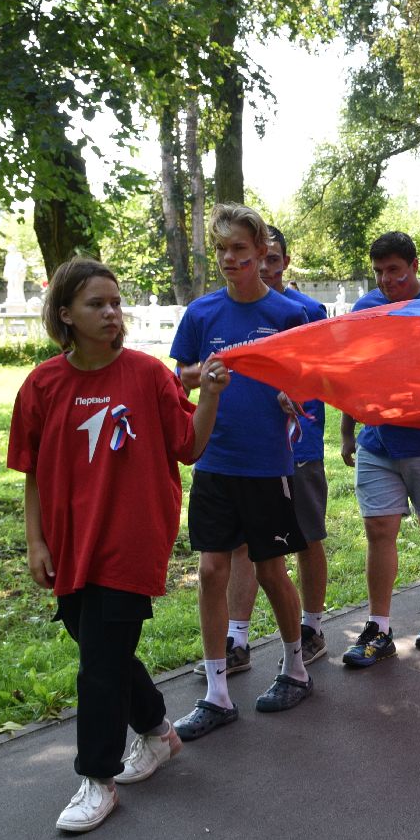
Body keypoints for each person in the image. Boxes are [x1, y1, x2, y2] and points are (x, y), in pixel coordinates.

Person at [10, 257, 227, 832]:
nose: (111, 313)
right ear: (65, 315)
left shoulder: (148, 374)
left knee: (98, 666)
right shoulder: (42, 384)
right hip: (70, 541)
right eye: (95, 305)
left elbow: (189, 447)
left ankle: (97, 778)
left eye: (115, 303)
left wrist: (208, 396)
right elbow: (31, 471)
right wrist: (35, 540)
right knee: (100, 648)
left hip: (131, 538)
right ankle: (157, 732)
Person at [168, 204, 313, 741]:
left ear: (260, 254)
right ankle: (216, 693)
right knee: (210, 571)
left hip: (266, 465)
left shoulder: (287, 315)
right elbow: (176, 379)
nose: (230, 259)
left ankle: (296, 668)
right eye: (222, 250)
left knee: (272, 570)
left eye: (240, 250)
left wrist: (291, 397)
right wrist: (202, 374)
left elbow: (305, 382)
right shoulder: (202, 314)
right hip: (214, 460)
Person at [207, 227, 330, 686]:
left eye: (273, 260)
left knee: (305, 536)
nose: (265, 268)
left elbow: (316, 379)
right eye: (227, 250)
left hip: (298, 449)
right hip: (240, 456)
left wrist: (297, 403)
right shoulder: (220, 310)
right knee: (241, 545)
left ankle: (313, 626)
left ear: (281, 260)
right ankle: (237, 638)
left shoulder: (304, 312)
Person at [339, 231, 420, 667]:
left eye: (393, 270)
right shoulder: (366, 309)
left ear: (414, 265)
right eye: (378, 272)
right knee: (378, 531)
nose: (386, 280)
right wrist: (346, 431)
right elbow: (351, 376)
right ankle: (380, 627)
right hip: (377, 441)